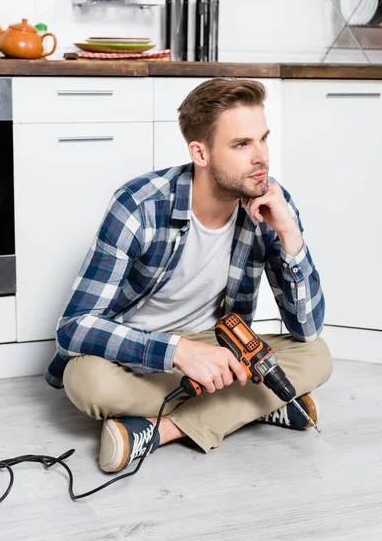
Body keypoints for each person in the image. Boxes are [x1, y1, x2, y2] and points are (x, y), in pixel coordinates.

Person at [45, 77, 333, 473]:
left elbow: (306, 330)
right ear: (200, 152)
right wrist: (178, 351)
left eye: (263, 139)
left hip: (220, 352)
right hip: (140, 354)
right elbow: (73, 327)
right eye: (241, 145)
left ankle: (157, 431)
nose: (261, 157)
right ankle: (258, 405)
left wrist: (291, 236)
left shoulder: (271, 203)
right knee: (86, 381)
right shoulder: (140, 204)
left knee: (318, 356)